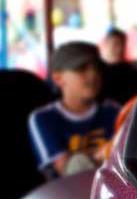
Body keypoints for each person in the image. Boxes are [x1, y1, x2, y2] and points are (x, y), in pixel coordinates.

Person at [28, 41, 120, 179]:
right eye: (82, 69)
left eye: (97, 68)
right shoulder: (43, 118)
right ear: (58, 78)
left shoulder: (114, 110)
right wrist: (105, 152)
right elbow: (68, 171)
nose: (93, 75)